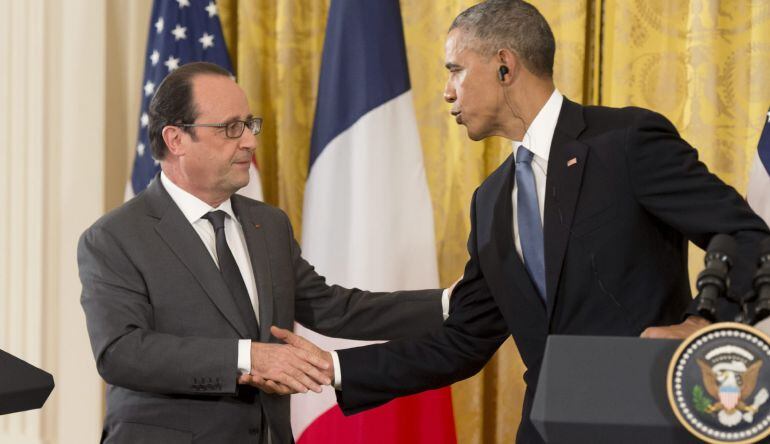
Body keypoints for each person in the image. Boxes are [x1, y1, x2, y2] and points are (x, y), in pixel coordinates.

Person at [274, 1, 770, 442]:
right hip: (548, 425)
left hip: (647, 415)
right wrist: (332, 366)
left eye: (455, 71)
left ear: (504, 65)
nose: (447, 92)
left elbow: (746, 234)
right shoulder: (490, 201)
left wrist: (701, 323)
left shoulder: (625, 142)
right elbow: (462, 342)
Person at [78, 62, 448, 443]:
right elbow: (121, 352)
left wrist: (449, 304)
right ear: (176, 139)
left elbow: (333, 308)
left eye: (249, 124)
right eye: (230, 128)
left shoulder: (267, 225)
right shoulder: (115, 237)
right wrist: (248, 358)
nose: (250, 142)